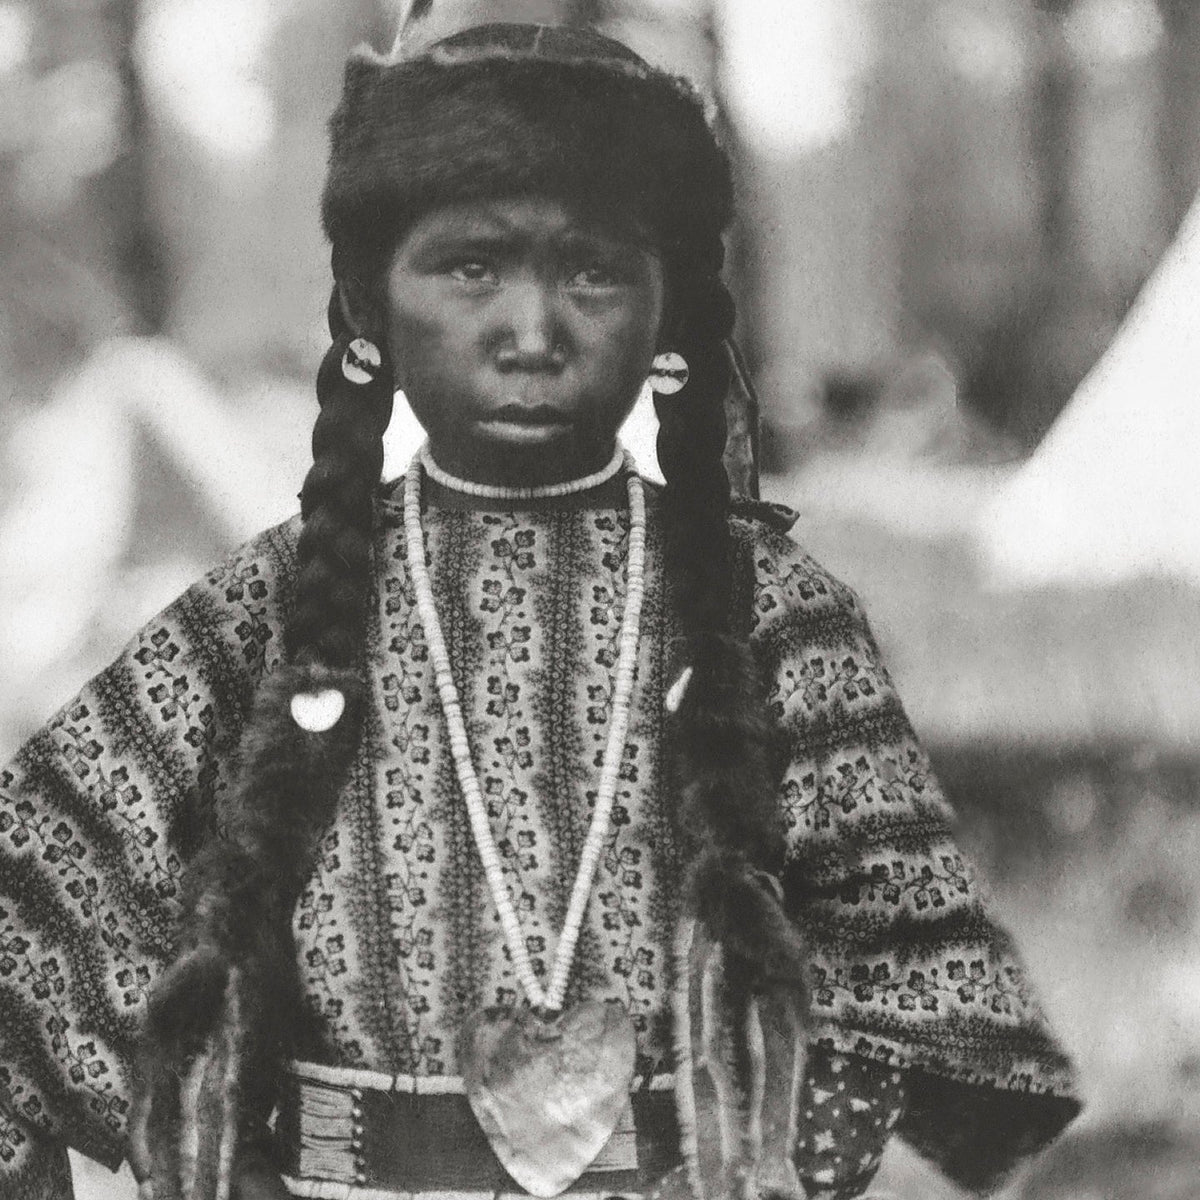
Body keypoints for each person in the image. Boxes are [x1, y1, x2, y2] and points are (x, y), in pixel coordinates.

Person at [0, 11, 1079, 1200]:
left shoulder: (775, 617)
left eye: (592, 272)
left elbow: (918, 1007)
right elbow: (22, 938)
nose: (531, 332)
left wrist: (772, 1176)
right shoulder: (263, 619)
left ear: (669, 311)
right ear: (372, 305)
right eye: (470, 267)